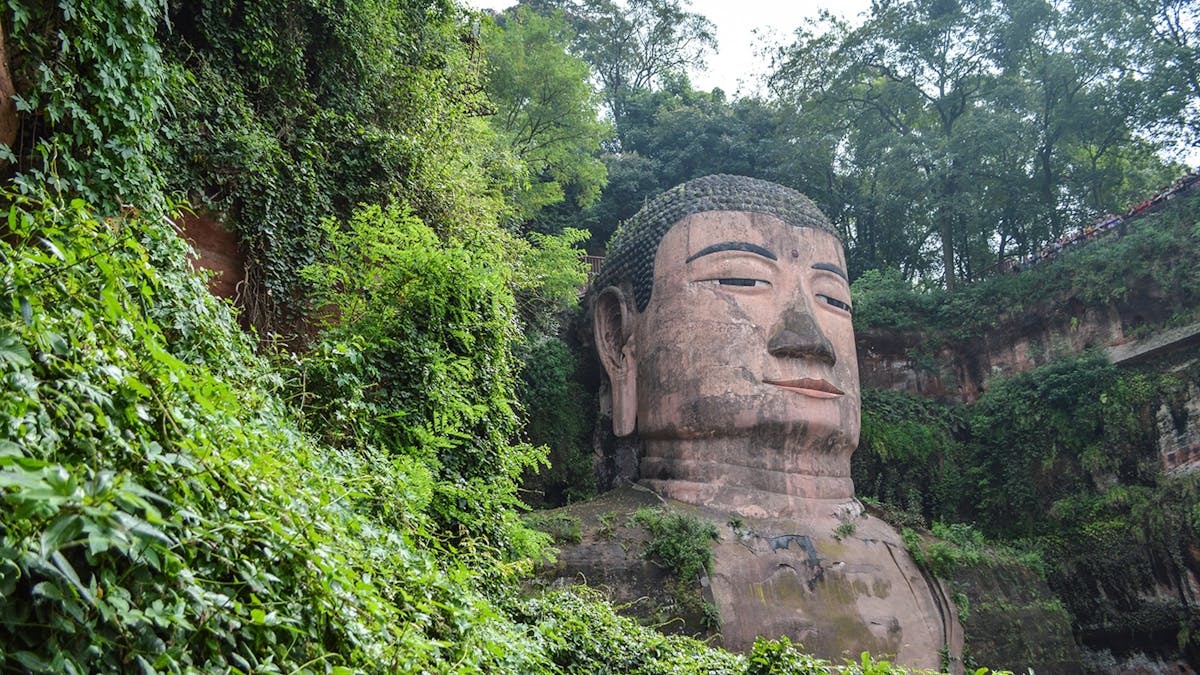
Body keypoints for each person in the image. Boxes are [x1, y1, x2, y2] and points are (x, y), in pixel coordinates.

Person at [588, 175, 961, 669]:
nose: (810, 339)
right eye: (743, 280)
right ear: (618, 339)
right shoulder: (579, 578)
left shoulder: (961, 574)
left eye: (834, 301)